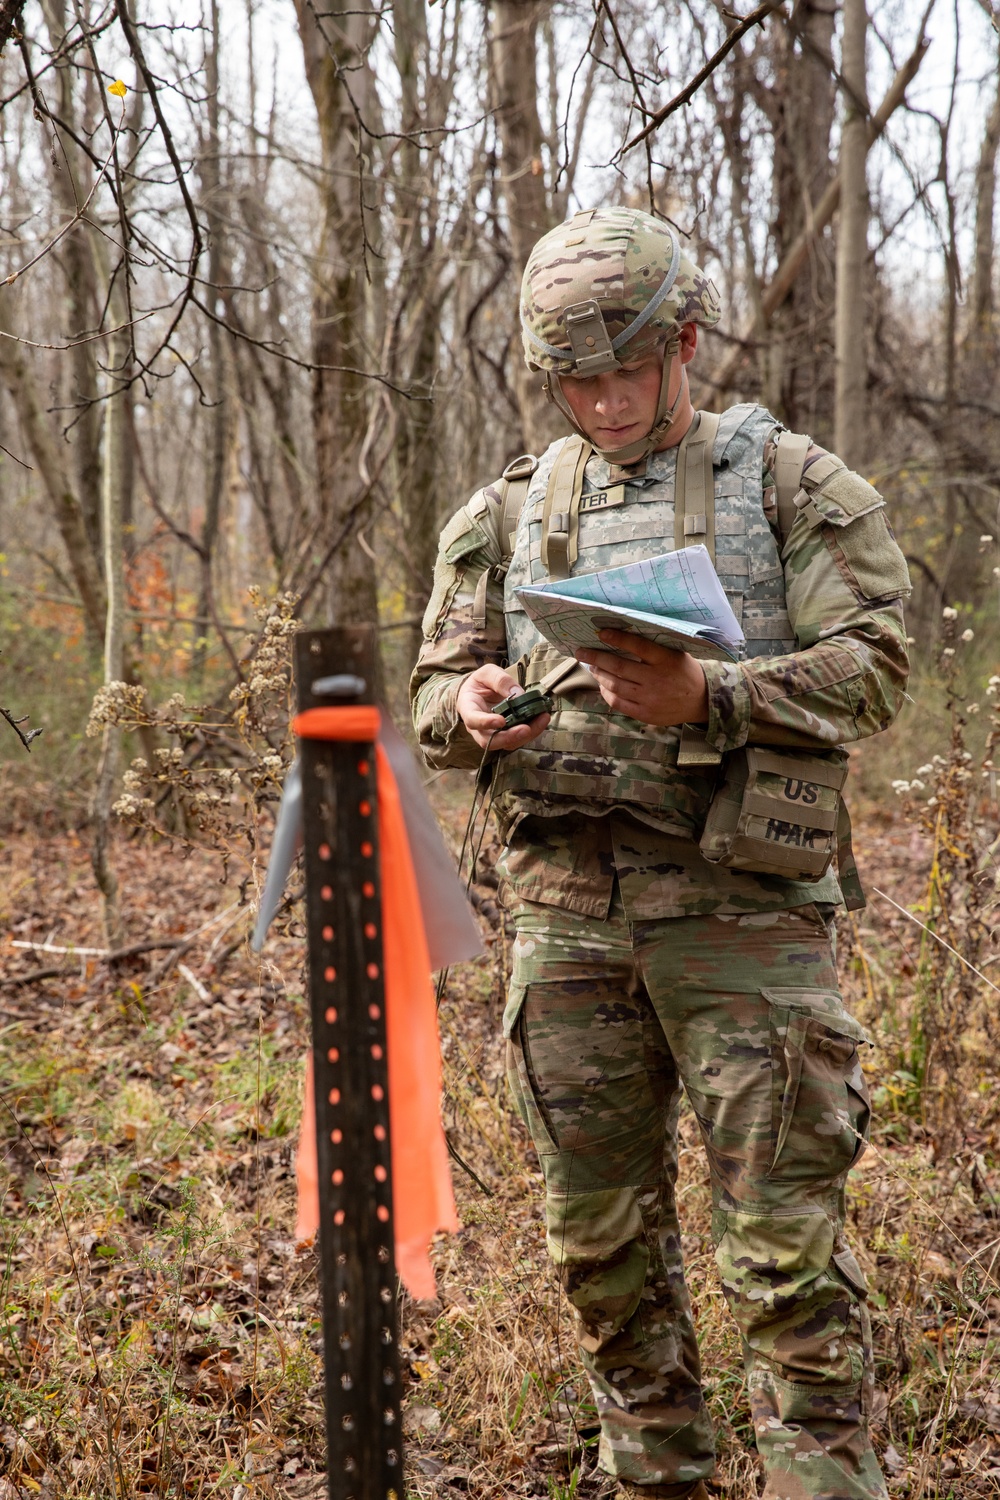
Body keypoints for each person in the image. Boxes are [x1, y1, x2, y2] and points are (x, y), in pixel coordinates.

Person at [411, 207, 909, 1500]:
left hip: (742, 922)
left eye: (626, 369)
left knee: (788, 1263)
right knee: (601, 1256)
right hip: (568, 921)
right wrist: (468, 712)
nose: (603, 399)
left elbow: (879, 666)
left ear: (684, 340)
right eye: (575, 379)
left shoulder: (788, 483)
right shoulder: (509, 509)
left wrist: (716, 702)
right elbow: (429, 692)